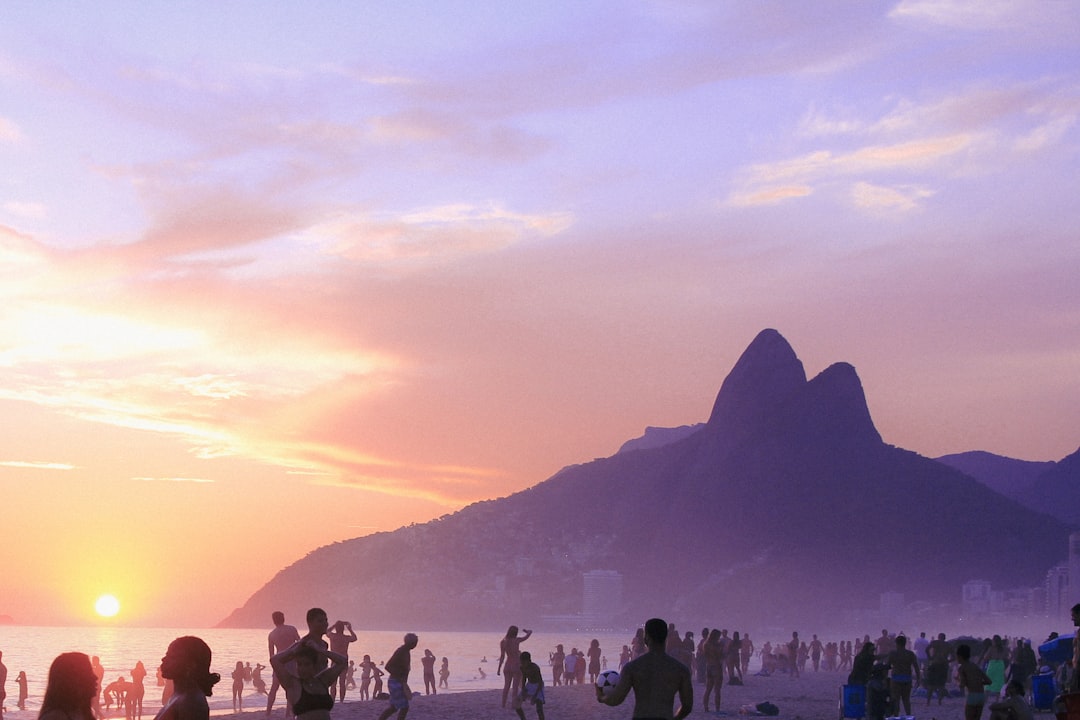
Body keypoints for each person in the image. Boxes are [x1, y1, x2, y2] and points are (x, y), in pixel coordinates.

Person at [597, 617, 693, 720]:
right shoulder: (680, 669)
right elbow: (687, 706)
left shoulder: (632, 667)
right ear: (666, 638)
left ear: (646, 638)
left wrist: (602, 697)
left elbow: (617, 699)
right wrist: (676, 718)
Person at [269, 638, 347, 720]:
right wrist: (295, 647)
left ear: (314, 666)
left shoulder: (322, 681)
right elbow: (275, 661)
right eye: (299, 664)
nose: (302, 668)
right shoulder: (292, 684)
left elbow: (343, 662)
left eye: (307, 664)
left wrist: (320, 650)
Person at [155, 636, 221, 720]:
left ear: (190, 665)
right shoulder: (179, 696)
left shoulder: (192, 703)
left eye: (171, 656)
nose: (163, 659)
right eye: (166, 654)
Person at [38, 653, 97, 720]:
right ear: (73, 679)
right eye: (89, 672)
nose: (95, 677)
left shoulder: (82, 713)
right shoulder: (55, 717)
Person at [267, 611, 301, 717]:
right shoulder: (291, 629)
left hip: (279, 661)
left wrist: (274, 666)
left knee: (274, 687)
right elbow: (299, 643)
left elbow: (271, 654)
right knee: (290, 687)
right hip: (291, 659)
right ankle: (287, 712)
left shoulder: (272, 634)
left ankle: (268, 711)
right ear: (283, 618)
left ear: (274, 621)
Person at [377, 633, 418, 720]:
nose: (416, 645)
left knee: (394, 707)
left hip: (399, 682)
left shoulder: (406, 651)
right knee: (404, 707)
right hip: (395, 682)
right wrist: (400, 677)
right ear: (410, 643)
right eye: (415, 642)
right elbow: (388, 666)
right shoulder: (401, 651)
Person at [498, 626, 533, 707]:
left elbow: (502, 656)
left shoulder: (503, 642)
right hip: (516, 665)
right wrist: (526, 631)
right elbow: (529, 634)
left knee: (506, 687)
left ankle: (503, 704)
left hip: (507, 665)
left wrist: (499, 668)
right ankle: (514, 705)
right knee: (515, 688)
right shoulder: (517, 640)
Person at [956, 643, 993, 720]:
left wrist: (959, 682)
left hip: (972, 695)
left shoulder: (962, 668)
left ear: (960, 656)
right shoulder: (975, 666)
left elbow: (963, 684)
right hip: (981, 696)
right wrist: (978, 682)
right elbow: (989, 681)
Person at [887, 635, 921, 716]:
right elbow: (916, 667)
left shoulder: (893, 653)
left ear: (896, 643)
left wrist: (884, 678)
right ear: (905, 643)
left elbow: (887, 667)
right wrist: (918, 679)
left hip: (896, 679)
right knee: (906, 700)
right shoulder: (910, 654)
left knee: (896, 700)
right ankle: (908, 716)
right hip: (907, 679)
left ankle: (896, 717)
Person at [325, 621, 356, 702]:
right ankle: (341, 700)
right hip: (343, 660)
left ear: (336, 628)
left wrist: (334, 625)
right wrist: (350, 629)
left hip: (335, 661)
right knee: (342, 683)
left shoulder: (333, 636)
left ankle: (332, 700)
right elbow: (354, 638)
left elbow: (326, 631)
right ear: (343, 629)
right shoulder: (346, 638)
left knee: (333, 683)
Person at [516, 651, 546, 720]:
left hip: (538, 685)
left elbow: (540, 682)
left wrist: (535, 695)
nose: (522, 664)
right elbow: (524, 678)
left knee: (539, 708)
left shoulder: (535, 668)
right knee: (517, 704)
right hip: (529, 685)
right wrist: (523, 689)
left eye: (523, 662)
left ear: (528, 661)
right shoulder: (522, 667)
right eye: (521, 662)